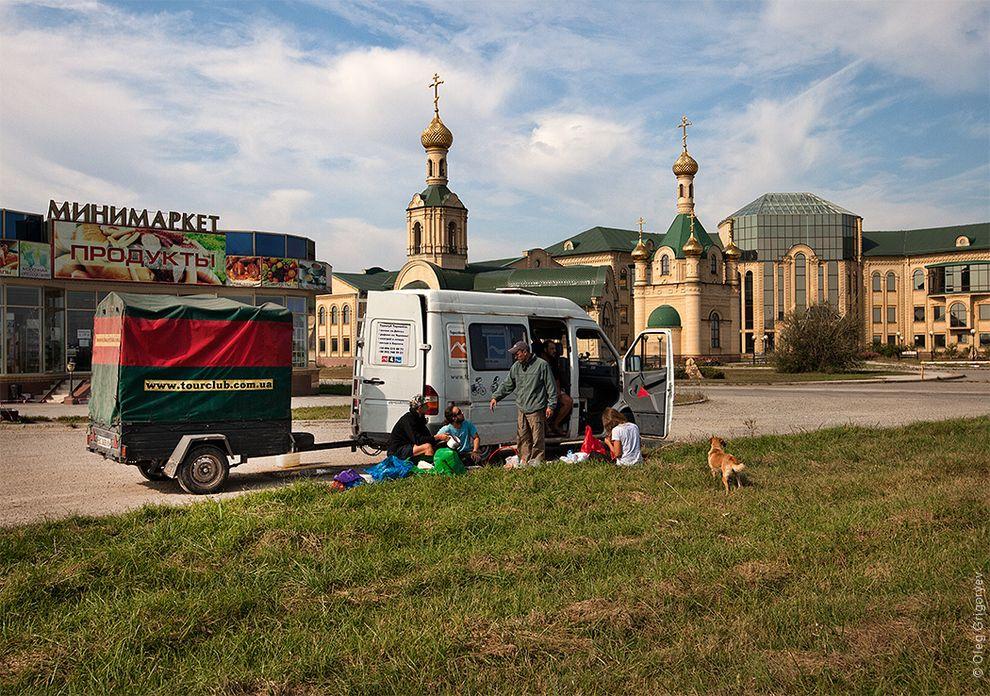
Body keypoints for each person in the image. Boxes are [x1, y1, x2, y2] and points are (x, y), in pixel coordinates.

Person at [489, 341, 557, 465]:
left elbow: (551, 387)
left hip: (536, 408)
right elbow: (507, 384)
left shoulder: (542, 365)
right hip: (522, 408)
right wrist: (496, 397)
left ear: (525, 352)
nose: (515, 357)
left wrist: (551, 406)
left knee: (537, 438)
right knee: (522, 437)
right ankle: (524, 461)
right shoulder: (516, 367)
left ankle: (537, 462)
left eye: (517, 354)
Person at [386, 394, 446, 461]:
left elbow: (426, 436)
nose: (428, 407)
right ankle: (429, 469)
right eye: (426, 405)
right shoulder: (408, 419)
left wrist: (439, 440)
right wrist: (437, 437)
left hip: (409, 446)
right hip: (397, 450)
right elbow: (417, 440)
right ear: (420, 408)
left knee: (434, 445)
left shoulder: (420, 418)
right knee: (427, 447)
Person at [543, 341, 574, 436]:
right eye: (551, 349)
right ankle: (546, 427)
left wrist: (558, 390)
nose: (554, 351)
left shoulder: (553, 360)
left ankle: (555, 425)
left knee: (568, 402)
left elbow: (556, 378)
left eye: (555, 348)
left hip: (553, 389)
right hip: (543, 390)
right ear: (545, 350)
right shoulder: (540, 361)